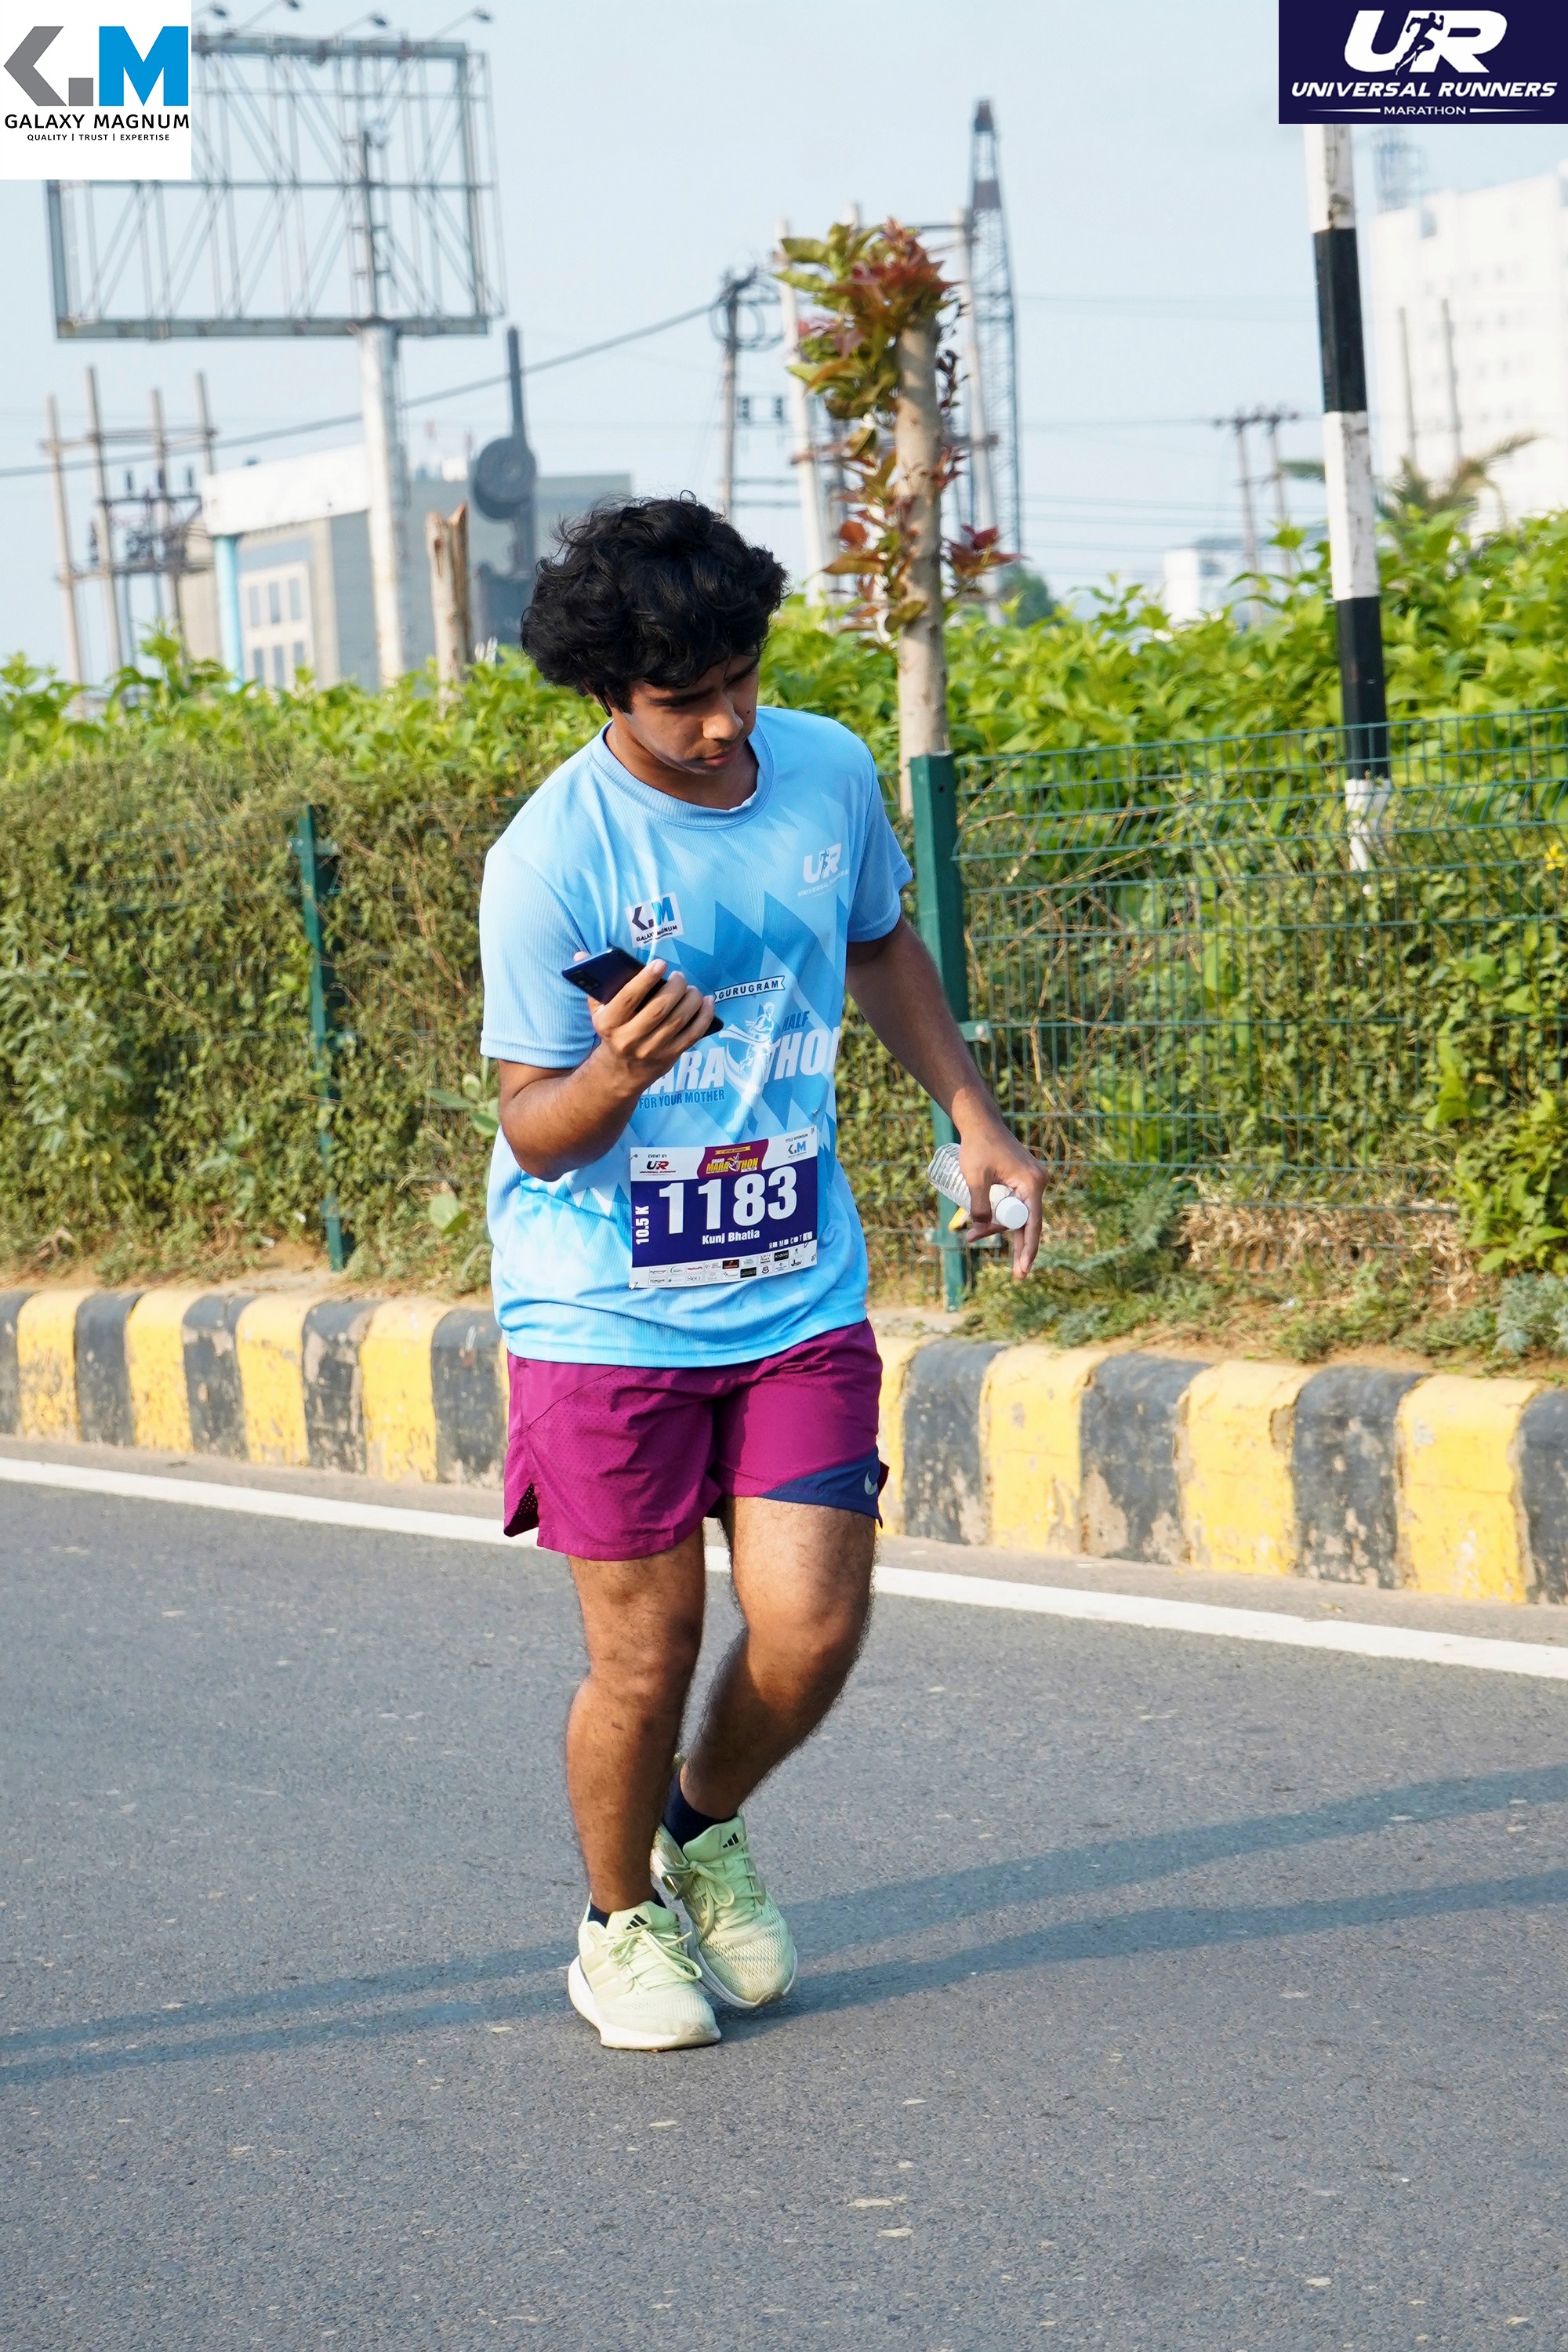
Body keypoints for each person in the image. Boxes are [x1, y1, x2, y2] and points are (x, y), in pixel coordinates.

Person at [480, 496, 1043, 2052]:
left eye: (742, 678)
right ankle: (615, 1925)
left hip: (794, 1286)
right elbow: (532, 1131)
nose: (727, 721)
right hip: (605, 1310)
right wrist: (614, 1077)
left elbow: (879, 945)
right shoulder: (552, 860)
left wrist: (974, 1116)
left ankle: (698, 1828)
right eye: (685, 699)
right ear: (609, 693)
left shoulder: (828, 770)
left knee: (810, 1629)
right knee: (644, 1654)